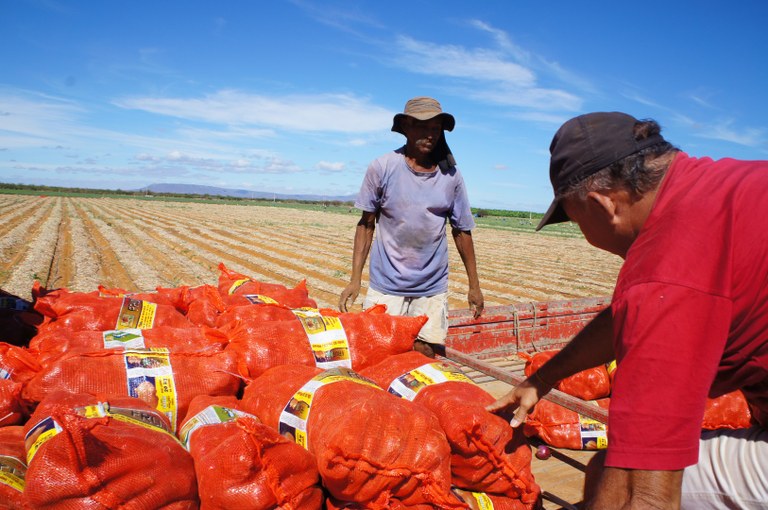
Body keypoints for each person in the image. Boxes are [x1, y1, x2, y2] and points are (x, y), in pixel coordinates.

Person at [487, 112, 768, 509]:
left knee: (615, 478)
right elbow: (629, 315)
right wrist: (543, 378)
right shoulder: (727, 185)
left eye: (575, 219)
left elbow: (649, 494)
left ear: (601, 205)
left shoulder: (666, 270)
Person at [338, 96, 484, 358]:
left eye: (436, 129)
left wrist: (474, 285)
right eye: (423, 126)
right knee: (380, 356)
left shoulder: (451, 175)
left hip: (431, 287)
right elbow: (366, 225)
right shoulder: (383, 167)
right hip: (386, 285)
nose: (431, 135)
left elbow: (462, 230)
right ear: (405, 126)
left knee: (427, 353)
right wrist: (354, 279)